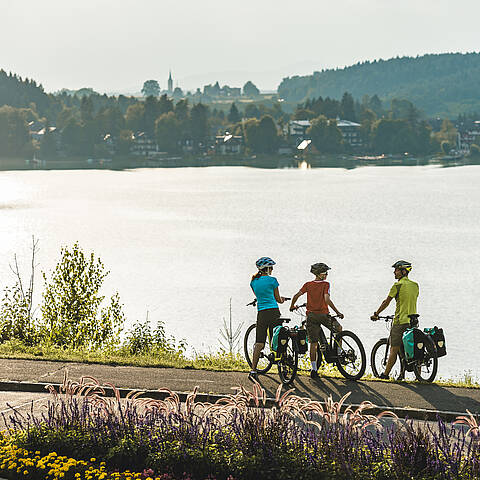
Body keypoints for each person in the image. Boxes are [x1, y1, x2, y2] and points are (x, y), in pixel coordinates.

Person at [290, 263, 344, 379]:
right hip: (324, 315)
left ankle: (314, 369)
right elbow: (327, 299)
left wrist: (292, 306)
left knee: (313, 344)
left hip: (311, 316)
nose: (327, 275)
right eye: (325, 273)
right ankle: (339, 352)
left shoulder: (308, 285)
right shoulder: (326, 284)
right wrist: (338, 312)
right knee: (339, 329)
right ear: (319, 274)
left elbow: (296, 295)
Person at [371, 260, 419, 380]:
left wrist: (376, 314)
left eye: (396, 270)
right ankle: (411, 375)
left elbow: (386, 302)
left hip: (400, 321)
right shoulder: (415, 285)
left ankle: (385, 374)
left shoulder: (397, 285)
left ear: (403, 271)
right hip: (413, 321)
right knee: (412, 348)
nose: (394, 272)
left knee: (394, 348)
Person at [248, 257, 286, 382]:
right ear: (268, 269)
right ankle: (283, 365)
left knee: (259, 342)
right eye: (271, 267)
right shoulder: (273, 281)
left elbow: (260, 296)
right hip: (274, 311)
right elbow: (277, 298)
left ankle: (253, 370)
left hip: (262, 313)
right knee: (279, 337)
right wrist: (282, 299)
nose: (273, 269)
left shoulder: (253, 282)